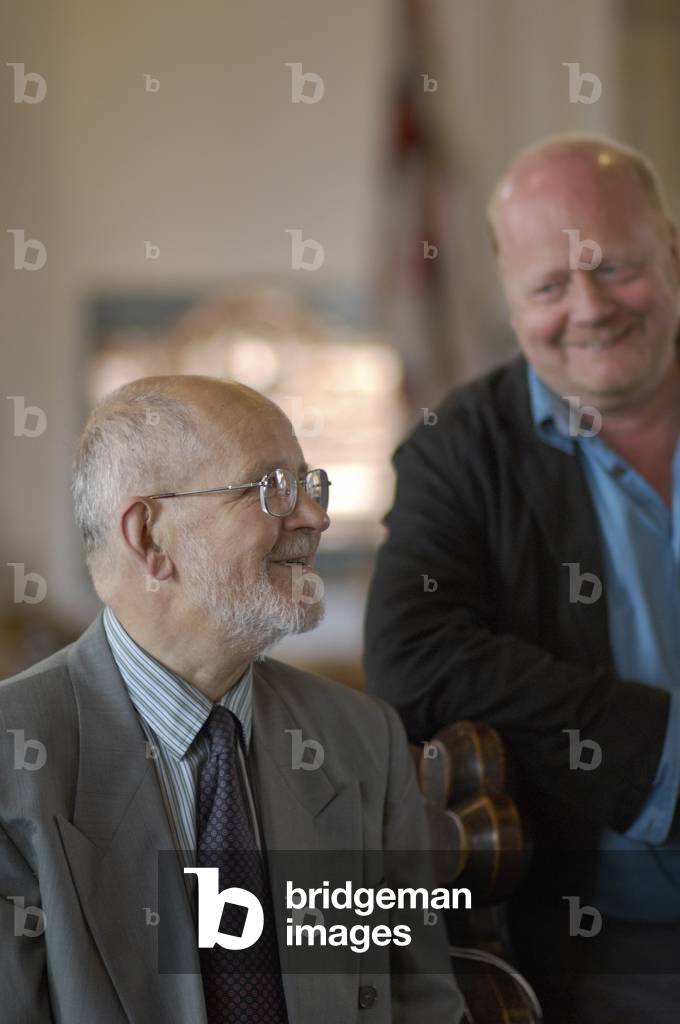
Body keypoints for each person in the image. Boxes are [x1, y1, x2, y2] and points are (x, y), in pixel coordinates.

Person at [0, 375, 463, 1023]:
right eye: (271, 488)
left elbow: (422, 1004)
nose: (315, 516)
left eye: (309, 484)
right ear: (149, 537)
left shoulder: (361, 738)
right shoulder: (13, 758)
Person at [364, 134, 680, 1022]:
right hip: (603, 944)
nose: (589, 308)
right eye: (549, 287)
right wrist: (662, 757)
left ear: (673, 251)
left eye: (616, 268)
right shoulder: (457, 450)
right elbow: (411, 658)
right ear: (509, 298)